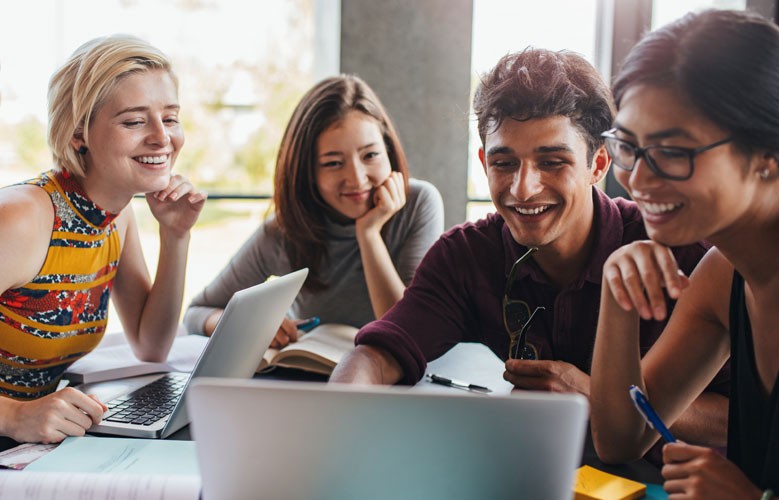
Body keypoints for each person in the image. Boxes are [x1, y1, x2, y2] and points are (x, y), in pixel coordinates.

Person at [330, 46, 729, 449]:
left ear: (599, 164)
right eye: (504, 164)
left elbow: (748, 422)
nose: (523, 189)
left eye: (553, 162)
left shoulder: (684, 252)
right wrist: (335, 429)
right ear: (485, 163)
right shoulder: (465, 255)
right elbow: (375, 357)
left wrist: (594, 396)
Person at [589, 10, 779, 499]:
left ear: (767, 150)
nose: (637, 180)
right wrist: (616, 294)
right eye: (628, 147)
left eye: (672, 151)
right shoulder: (724, 273)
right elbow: (621, 439)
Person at [0, 34, 206, 444]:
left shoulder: (117, 215)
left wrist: (175, 234)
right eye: (133, 121)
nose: (162, 138)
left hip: (32, 441)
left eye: (169, 117)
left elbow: (151, 344)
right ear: (79, 134)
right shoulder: (22, 217)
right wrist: (12, 415)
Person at [183, 75, 444, 346]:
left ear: (388, 150)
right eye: (333, 163)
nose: (356, 178)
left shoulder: (419, 203)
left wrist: (368, 233)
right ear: (307, 172)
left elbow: (406, 330)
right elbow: (196, 314)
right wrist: (249, 326)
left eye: (370, 155)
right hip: (310, 379)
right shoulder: (284, 231)